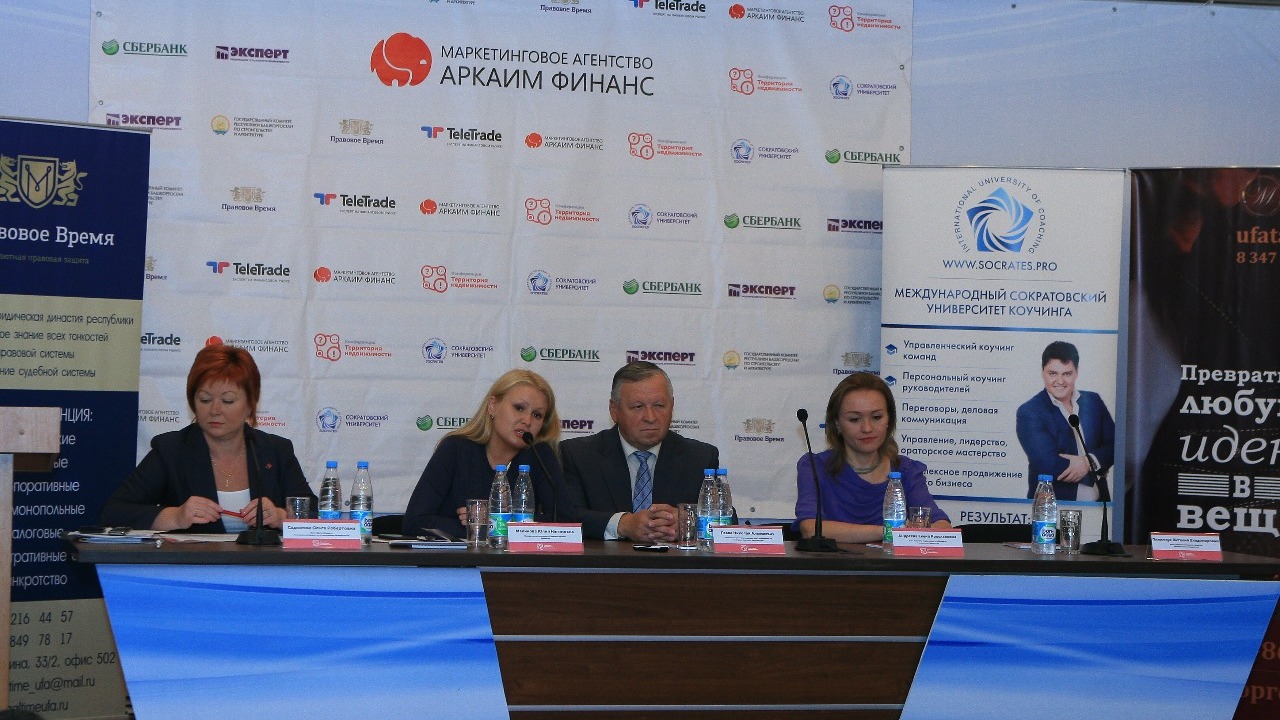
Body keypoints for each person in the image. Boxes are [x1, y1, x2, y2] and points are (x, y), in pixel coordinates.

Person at [101, 344, 314, 532]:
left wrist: (281, 517)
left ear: (251, 403)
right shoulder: (171, 450)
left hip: (263, 565)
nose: (214, 410)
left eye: (228, 401)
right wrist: (175, 516)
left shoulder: (275, 450)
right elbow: (114, 512)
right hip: (192, 564)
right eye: (204, 399)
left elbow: (316, 514)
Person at [403, 369, 574, 538]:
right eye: (519, 408)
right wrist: (478, 529)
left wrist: (497, 523)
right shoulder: (455, 449)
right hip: (459, 556)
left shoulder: (539, 456)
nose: (527, 421)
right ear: (492, 406)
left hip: (512, 557)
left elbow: (566, 523)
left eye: (537, 415)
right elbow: (414, 521)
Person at [561, 361, 719, 542]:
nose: (650, 418)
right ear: (614, 410)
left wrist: (689, 520)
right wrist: (623, 524)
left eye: (659, 405)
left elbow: (726, 520)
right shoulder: (578, 455)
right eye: (637, 407)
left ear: (672, 406)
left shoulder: (700, 458)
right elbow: (565, 517)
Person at [794, 372, 950, 543]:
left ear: (889, 420)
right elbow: (810, 529)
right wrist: (890, 531)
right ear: (837, 423)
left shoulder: (906, 470)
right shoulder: (815, 467)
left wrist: (919, 532)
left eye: (876, 417)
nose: (867, 428)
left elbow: (942, 526)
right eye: (854, 419)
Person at [1015, 340, 1115, 501]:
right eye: (1053, 373)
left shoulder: (1093, 401)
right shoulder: (1030, 411)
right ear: (1042, 372)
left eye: (1067, 374)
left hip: (1100, 506)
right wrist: (1096, 464)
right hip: (1051, 507)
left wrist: (1088, 462)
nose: (1060, 381)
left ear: (1076, 372)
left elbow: (1116, 446)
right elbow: (1049, 464)